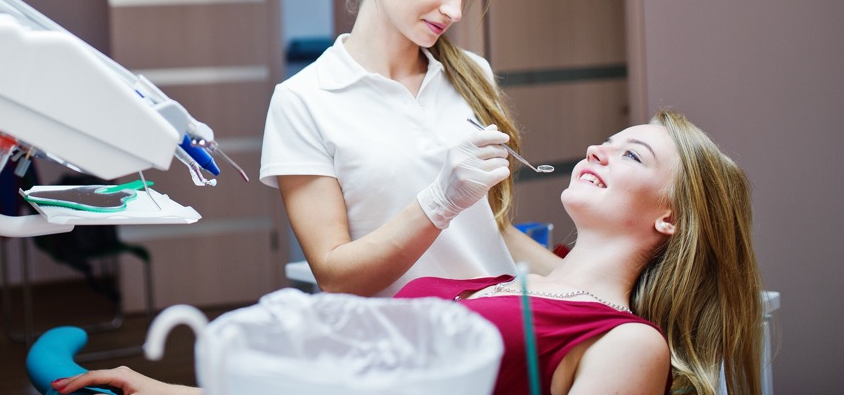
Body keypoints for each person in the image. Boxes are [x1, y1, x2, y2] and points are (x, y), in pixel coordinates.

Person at [50, 110, 766, 395]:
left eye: (631, 152)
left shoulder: (628, 342)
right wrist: (174, 391)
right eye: (606, 140)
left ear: (671, 218)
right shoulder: (490, 283)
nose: (597, 150)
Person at [259, 0, 555, 297]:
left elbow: (490, 233)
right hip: (397, 345)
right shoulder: (304, 100)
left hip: (494, 328)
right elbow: (335, 275)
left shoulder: (472, 74)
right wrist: (439, 202)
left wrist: (598, 286)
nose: (454, 11)